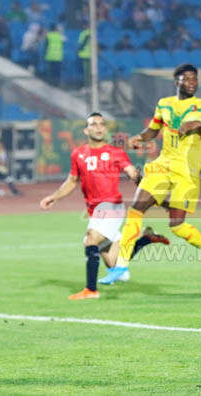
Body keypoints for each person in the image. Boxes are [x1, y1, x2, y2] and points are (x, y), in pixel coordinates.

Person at [104, 63, 201, 284]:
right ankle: (120, 266)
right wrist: (138, 139)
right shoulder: (164, 104)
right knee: (136, 210)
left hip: (186, 172)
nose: (192, 83)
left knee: (177, 225)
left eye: (194, 79)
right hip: (162, 166)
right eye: (187, 79)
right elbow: (153, 130)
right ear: (176, 82)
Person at [39, 112, 169, 300]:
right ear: (86, 130)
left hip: (112, 207)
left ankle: (91, 290)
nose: (99, 127)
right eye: (94, 124)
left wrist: (148, 191)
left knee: (91, 238)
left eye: (102, 124)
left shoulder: (116, 153)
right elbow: (72, 180)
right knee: (115, 264)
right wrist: (54, 197)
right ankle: (146, 239)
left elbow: (132, 173)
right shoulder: (78, 154)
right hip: (95, 212)